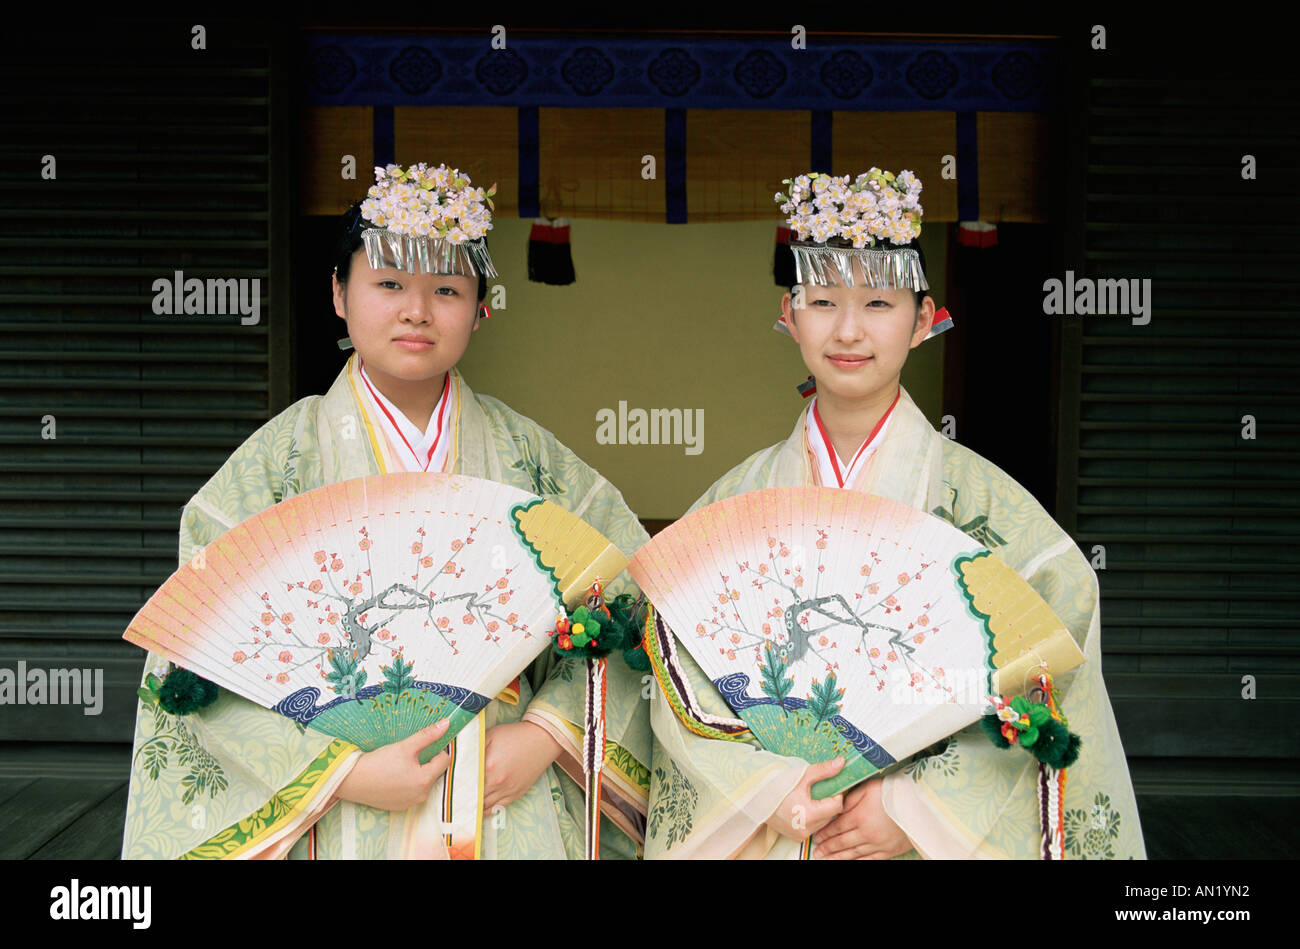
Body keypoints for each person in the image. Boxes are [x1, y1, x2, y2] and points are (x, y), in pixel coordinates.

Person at [122, 162, 651, 859]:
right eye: (390, 284)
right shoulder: (280, 465)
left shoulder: (531, 459)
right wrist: (342, 770)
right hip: (337, 806)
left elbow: (631, 603)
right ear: (340, 293)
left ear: (480, 305)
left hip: (506, 790)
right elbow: (198, 656)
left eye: (447, 289)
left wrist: (547, 732)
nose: (417, 310)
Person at [642, 169, 1145, 860]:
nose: (849, 329)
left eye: (878, 300)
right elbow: (680, 674)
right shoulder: (735, 502)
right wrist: (767, 790)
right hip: (778, 830)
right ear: (789, 316)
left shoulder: (988, 509)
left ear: (925, 318)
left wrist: (912, 806)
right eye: (823, 300)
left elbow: (1052, 664)